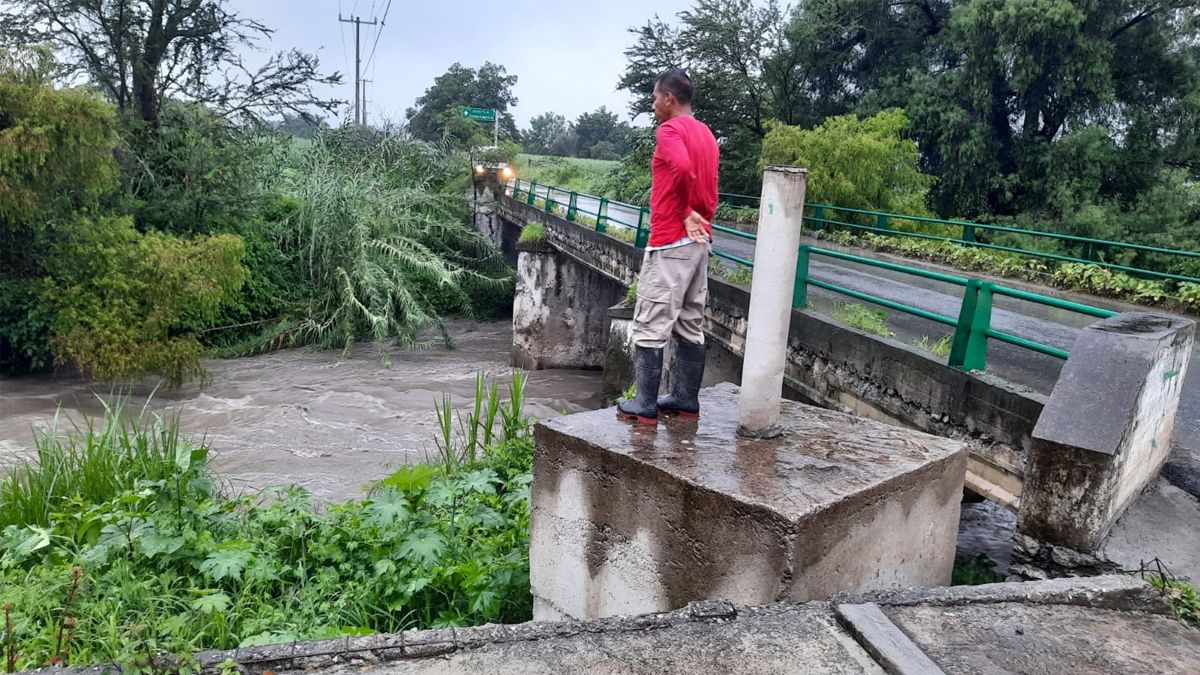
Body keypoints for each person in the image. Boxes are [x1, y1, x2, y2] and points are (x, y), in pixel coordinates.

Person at [617, 68, 719, 426]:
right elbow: (707, 179)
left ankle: (644, 405)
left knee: (651, 322)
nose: (654, 105)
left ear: (668, 99)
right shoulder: (706, 133)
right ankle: (685, 400)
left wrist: (688, 210)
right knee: (690, 322)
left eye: (655, 98)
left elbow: (681, 166)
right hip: (699, 242)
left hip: (671, 240)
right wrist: (699, 216)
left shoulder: (670, 130)